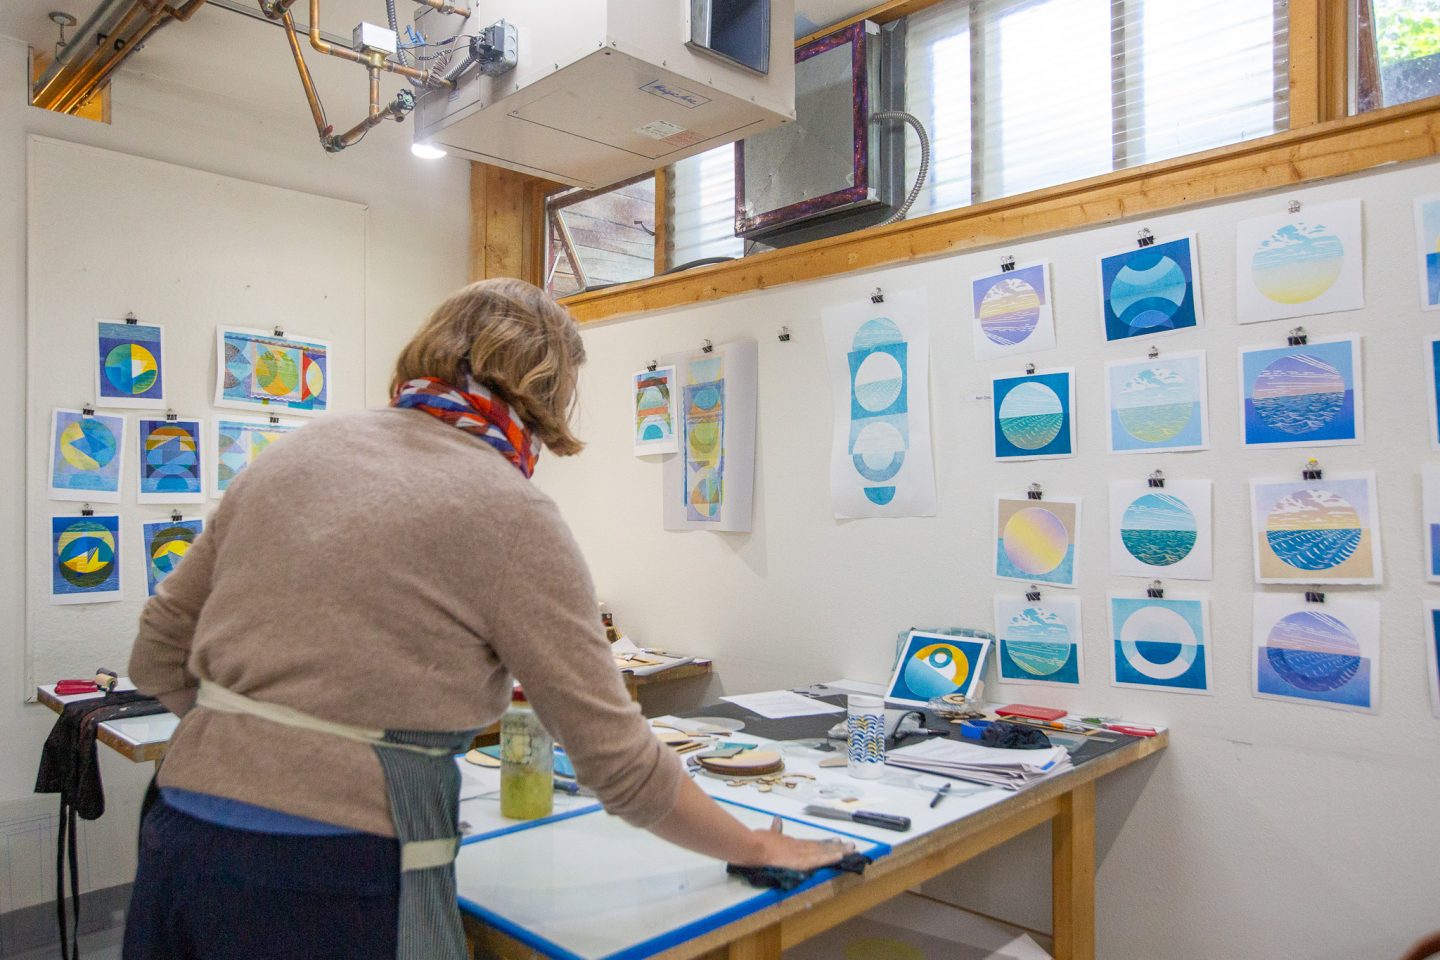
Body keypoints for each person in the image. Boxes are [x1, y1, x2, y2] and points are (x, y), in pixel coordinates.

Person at [123, 278, 852, 960]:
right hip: (324, 869)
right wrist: (754, 846)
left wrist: (247, 739)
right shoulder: (510, 510)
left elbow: (156, 652)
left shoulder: (291, 455)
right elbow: (618, 762)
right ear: (548, 390)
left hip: (178, 831)